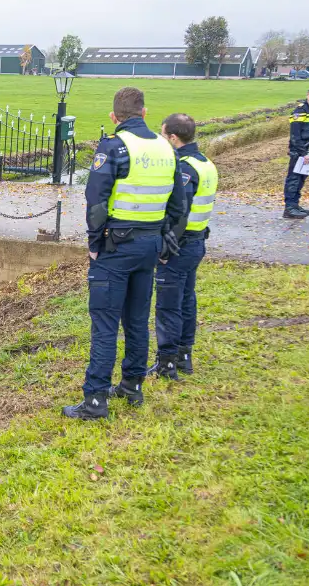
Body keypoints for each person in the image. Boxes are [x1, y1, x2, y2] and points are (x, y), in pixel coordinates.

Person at [63, 87, 186, 420]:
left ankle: (95, 400)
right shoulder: (167, 149)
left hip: (116, 246)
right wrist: (166, 243)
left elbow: (96, 201)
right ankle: (132, 385)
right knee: (136, 319)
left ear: (114, 117)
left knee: (104, 323)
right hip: (149, 247)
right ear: (145, 113)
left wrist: (93, 243)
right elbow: (179, 205)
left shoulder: (114, 147)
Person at [153, 113, 216, 380]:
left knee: (168, 305)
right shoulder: (206, 164)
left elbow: (180, 212)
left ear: (173, 137)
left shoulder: (185, 168)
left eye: (163, 133)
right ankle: (184, 355)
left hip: (181, 246)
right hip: (197, 241)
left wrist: (167, 249)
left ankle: (167, 363)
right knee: (187, 300)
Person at [283, 86, 309, 219]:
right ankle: (289, 208)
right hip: (300, 150)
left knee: (301, 179)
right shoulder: (300, 111)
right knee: (294, 179)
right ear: (307, 96)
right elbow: (295, 135)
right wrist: (303, 153)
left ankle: (295, 205)